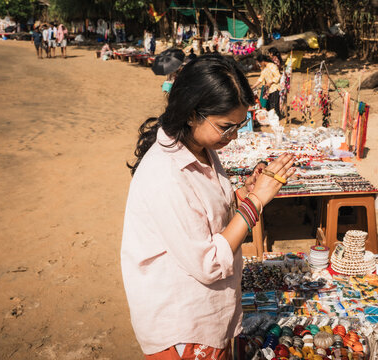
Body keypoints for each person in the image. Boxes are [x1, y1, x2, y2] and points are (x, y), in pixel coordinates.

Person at [122, 55, 295, 359]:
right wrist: (256, 202)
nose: (234, 135)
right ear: (191, 115)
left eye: (239, 125)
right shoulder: (166, 174)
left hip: (204, 315)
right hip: (182, 327)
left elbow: (208, 215)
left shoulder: (199, 149)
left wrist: (243, 193)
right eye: (226, 127)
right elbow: (209, 263)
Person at [252, 54, 282, 118]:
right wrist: (252, 87)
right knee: (269, 106)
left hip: (275, 88)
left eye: (259, 63)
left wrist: (271, 82)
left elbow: (278, 76)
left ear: (262, 61)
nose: (259, 64)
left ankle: (277, 119)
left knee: (274, 106)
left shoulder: (272, 66)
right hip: (268, 90)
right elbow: (260, 79)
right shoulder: (264, 69)